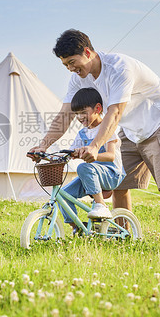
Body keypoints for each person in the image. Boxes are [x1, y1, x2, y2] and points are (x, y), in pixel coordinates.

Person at [28, 29, 160, 246]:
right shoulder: (79, 79)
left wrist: (95, 146)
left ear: (87, 52)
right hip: (130, 129)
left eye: (73, 62)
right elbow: (64, 115)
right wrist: (43, 145)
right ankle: (122, 236)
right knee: (119, 182)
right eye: (65, 65)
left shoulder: (119, 68)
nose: (70, 69)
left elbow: (114, 113)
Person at [57, 87, 125, 232]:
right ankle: (78, 228)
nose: (80, 117)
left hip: (111, 173)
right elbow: (71, 152)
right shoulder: (82, 133)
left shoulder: (107, 129)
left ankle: (101, 204)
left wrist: (92, 155)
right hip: (90, 174)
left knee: (83, 167)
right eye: (76, 114)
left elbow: (110, 156)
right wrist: (56, 156)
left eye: (83, 112)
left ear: (97, 108)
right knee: (63, 195)